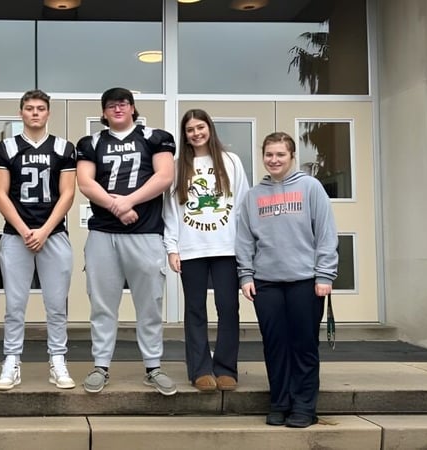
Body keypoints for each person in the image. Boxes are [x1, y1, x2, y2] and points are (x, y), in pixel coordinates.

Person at [76, 87, 177, 395]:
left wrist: (127, 202)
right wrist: (115, 207)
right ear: (103, 113)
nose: (117, 109)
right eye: (110, 105)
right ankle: (101, 365)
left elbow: (164, 177)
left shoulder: (155, 137)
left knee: (149, 304)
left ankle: (153, 366)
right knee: (102, 304)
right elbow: (85, 182)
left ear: (133, 108)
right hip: (104, 234)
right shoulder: (91, 142)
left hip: (145, 233)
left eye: (123, 103)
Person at [235, 131, 338, 428]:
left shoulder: (310, 188)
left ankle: (304, 406)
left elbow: (326, 235)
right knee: (274, 345)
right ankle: (280, 402)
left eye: (280, 154)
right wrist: (246, 275)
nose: (274, 159)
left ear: (292, 157)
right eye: (269, 154)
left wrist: (325, 274)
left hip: (305, 281)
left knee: (304, 345)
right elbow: (244, 240)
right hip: (266, 282)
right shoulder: (254, 196)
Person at [0, 90, 76, 391]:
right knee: (15, 304)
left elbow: (68, 193)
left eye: (41, 108)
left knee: (56, 305)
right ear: (21, 113)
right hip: (17, 235)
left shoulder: (64, 147)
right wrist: (25, 228)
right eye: (29, 109)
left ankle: (57, 359)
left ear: (48, 113)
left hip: (53, 235)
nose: (35, 113)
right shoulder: (6, 147)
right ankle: (12, 359)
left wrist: (43, 230)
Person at [163, 109, 249, 392]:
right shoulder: (178, 167)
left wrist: (245, 247)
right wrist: (172, 248)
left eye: (200, 127)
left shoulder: (231, 162)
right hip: (191, 249)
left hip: (227, 248)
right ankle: (199, 369)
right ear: (185, 135)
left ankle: (226, 368)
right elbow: (172, 211)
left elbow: (242, 207)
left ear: (209, 128)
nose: (196, 133)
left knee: (228, 308)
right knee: (195, 310)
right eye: (190, 129)